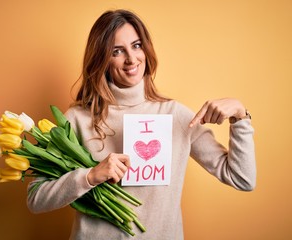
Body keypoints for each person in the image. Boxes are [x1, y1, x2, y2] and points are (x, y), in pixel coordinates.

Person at [27, 9, 256, 240]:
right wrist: (90, 176)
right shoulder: (77, 119)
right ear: (102, 59)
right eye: (117, 51)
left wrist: (240, 117)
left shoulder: (176, 115)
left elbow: (242, 178)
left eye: (136, 46)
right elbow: (35, 198)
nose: (131, 58)